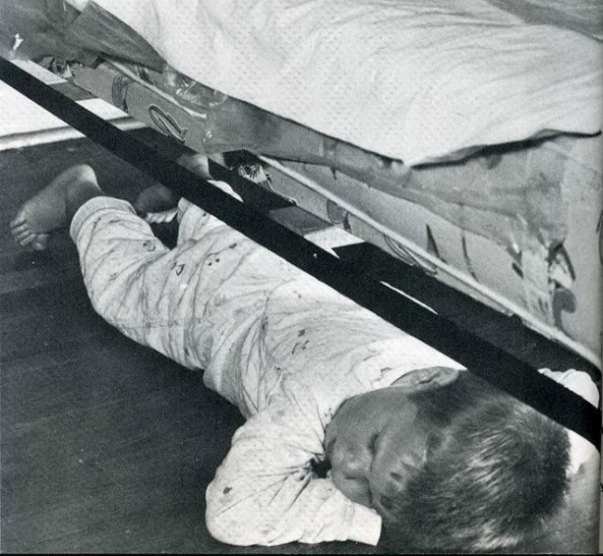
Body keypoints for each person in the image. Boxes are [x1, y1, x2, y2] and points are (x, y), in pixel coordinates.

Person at [10, 156, 598, 552]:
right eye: (372, 448)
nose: (344, 468)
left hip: (283, 258)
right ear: (425, 380)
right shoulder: (308, 407)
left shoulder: (456, 377)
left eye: (366, 491)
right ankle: (82, 196)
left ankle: (193, 181)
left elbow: (577, 389)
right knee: (122, 290)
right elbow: (232, 515)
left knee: (225, 226)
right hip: (208, 306)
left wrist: (560, 455)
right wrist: (369, 522)